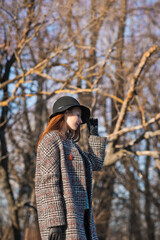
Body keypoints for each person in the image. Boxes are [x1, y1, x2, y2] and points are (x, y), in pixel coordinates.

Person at [35, 96, 106, 240]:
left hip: (82, 217)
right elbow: (49, 182)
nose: (81, 121)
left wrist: (94, 136)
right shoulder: (51, 140)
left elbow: (95, 164)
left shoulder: (71, 144)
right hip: (65, 221)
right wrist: (55, 222)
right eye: (78, 115)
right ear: (66, 113)